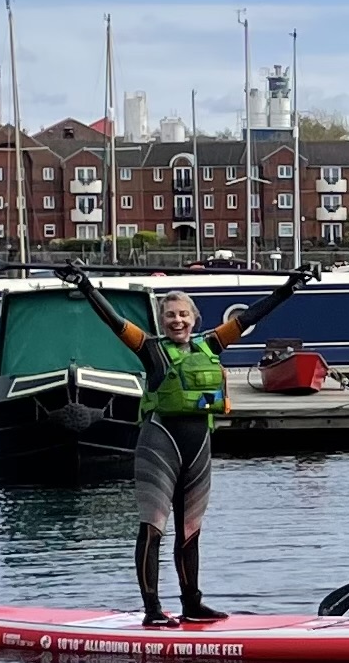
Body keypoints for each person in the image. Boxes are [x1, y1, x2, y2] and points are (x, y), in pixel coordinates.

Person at [63, 262, 318, 625]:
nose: (177, 320)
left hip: (198, 449)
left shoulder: (213, 342)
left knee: (190, 529)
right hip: (158, 445)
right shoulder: (148, 347)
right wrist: (86, 286)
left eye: (183, 314)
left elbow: (251, 315)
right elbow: (114, 321)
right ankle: (152, 610)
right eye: (170, 315)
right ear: (161, 320)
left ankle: (191, 604)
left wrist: (288, 289)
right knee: (153, 526)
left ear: (195, 319)